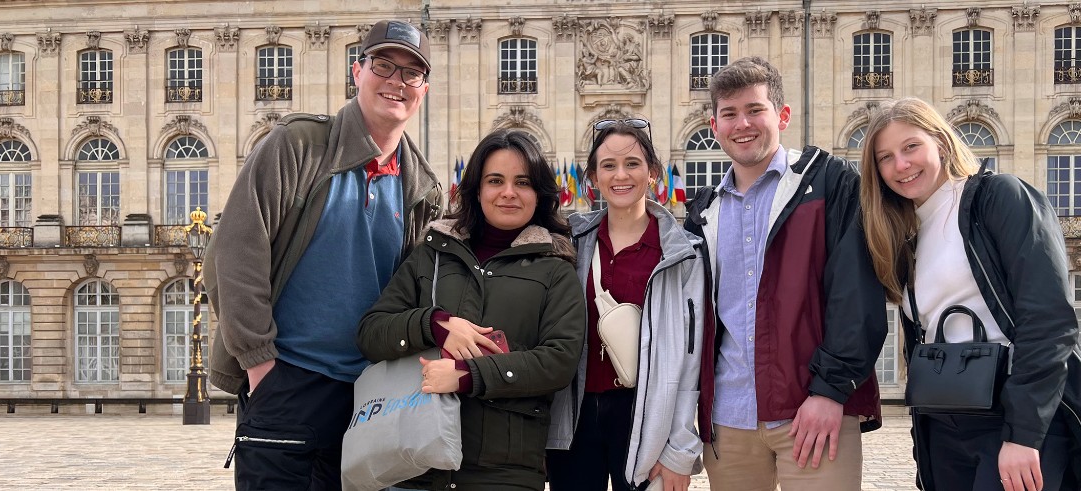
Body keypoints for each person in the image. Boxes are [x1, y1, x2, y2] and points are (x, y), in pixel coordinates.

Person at [203, 19, 444, 489]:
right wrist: (260, 365)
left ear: (423, 90)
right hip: (289, 382)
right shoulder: (298, 146)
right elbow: (233, 253)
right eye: (383, 65)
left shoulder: (423, 187)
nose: (395, 82)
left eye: (410, 73)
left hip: (372, 399)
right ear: (357, 72)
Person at [857, 97, 1081, 491]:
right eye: (885, 157)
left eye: (911, 147)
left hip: (1014, 413)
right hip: (944, 424)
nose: (901, 165)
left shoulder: (999, 198)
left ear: (940, 142)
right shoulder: (903, 232)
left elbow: (1048, 321)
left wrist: (1024, 433)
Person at [683, 56, 888, 491]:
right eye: (730, 113)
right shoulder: (702, 212)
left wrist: (830, 392)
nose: (743, 124)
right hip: (729, 420)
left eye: (755, 110)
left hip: (812, 412)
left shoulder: (831, 184)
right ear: (713, 125)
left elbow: (855, 298)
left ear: (783, 115)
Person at [357, 129, 586, 491]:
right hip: (414, 461)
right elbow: (371, 332)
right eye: (495, 180)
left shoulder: (556, 268)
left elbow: (558, 361)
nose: (508, 192)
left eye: (522, 182)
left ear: (538, 194)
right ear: (477, 190)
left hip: (504, 471)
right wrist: (434, 324)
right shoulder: (432, 254)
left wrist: (468, 375)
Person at [546, 120, 706, 491]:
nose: (621, 175)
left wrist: (680, 450)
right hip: (575, 416)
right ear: (593, 178)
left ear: (652, 173)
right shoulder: (572, 242)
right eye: (609, 165)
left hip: (645, 416)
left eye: (632, 164)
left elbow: (691, 358)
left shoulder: (684, 253)